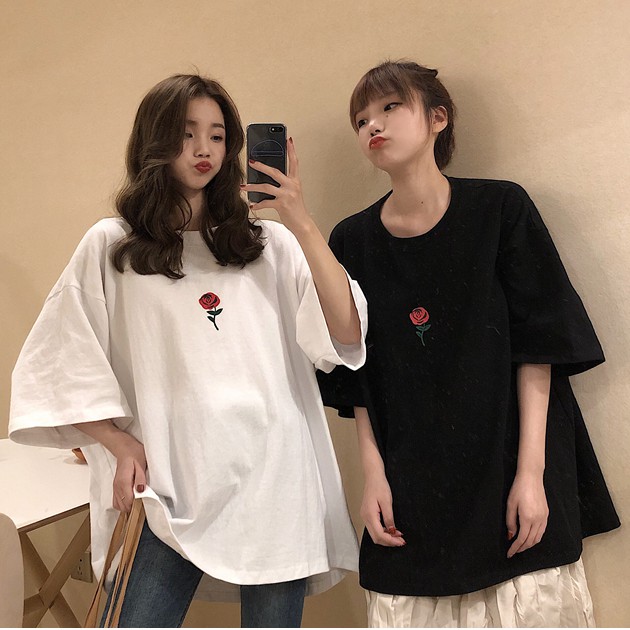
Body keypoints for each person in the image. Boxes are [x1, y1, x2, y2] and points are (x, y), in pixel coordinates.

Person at [9, 74, 368, 628]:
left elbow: (346, 331)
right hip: (167, 484)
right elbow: (57, 361)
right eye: (187, 133)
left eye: (218, 136)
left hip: (276, 479)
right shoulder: (113, 246)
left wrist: (299, 220)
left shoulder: (268, 245)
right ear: (154, 140)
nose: (204, 149)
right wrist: (119, 443)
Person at [317, 60, 620, 628]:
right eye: (361, 120)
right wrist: (372, 476)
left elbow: (539, 346)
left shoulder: (500, 209)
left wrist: (531, 474)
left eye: (389, 107)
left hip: (509, 456)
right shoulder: (351, 240)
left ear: (438, 118)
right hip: (412, 472)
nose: (372, 126)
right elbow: (355, 371)